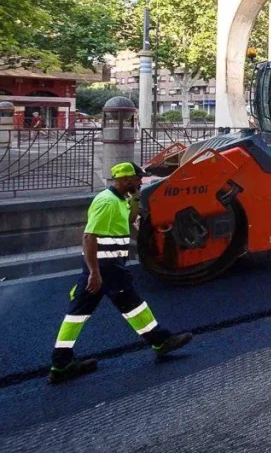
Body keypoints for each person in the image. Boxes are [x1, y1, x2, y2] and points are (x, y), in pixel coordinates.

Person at [47, 162, 193, 384]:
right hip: (105, 267)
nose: (140, 181)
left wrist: (136, 197)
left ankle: (60, 364)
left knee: (78, 313)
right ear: (125, 179)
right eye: (137, 179)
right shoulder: (106, 202)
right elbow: (88, 237)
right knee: (133, 305)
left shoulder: (120, 199)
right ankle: (161, 341)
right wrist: (94, 273)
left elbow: (128, 219)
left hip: (106, 266)